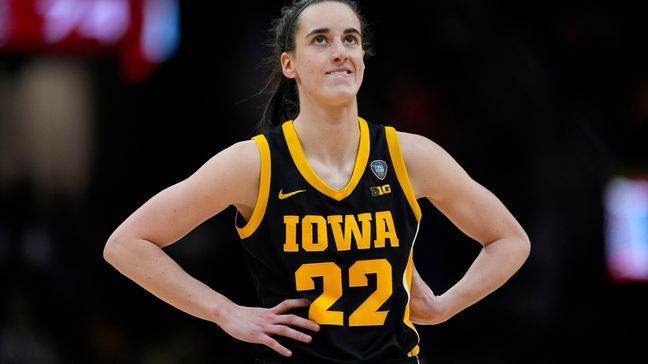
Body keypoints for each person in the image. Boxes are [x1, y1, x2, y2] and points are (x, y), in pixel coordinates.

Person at [103, 0, 531, 363]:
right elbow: (127, 244)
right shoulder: (255, 164)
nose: (341, 51)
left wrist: (441, 307)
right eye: (321, 40)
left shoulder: (409, 155)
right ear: (289, 64)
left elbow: (510, 240)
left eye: (351, 39)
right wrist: (224, 311)